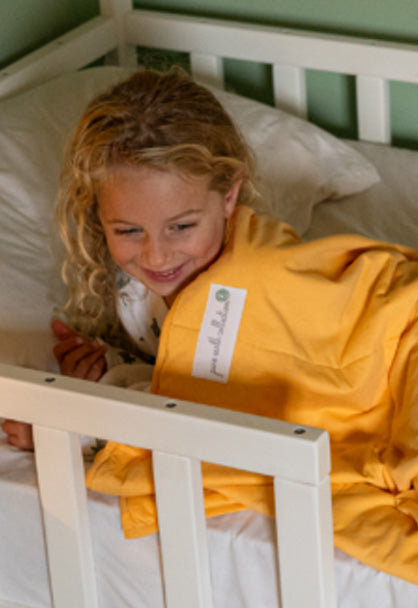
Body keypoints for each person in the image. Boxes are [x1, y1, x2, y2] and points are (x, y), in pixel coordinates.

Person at [1, 67, 256, 450]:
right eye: (128, 231)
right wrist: (107, 370)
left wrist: (64, 434)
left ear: (229, 197)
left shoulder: (242, 297)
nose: (155, 256)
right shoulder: (133, 288)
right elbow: (165, 372)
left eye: (182, 226)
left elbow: (211, 431)